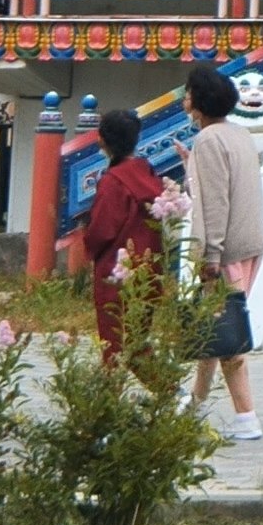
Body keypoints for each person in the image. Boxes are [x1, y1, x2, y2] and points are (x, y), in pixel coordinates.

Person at [178, 62, 263, 440]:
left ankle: (246, 417)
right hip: (251, 243)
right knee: (212, 329)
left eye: (188, 94)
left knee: (227, 332)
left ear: (197, 105)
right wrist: (191, 168)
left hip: (226, 249)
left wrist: (210, 257)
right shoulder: (237, 135)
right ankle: (196, 403)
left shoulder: (209, 141)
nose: (184, 100)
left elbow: (214, 204)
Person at [72, 102, 168, 367]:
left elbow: (102, 230)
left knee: (115, 345)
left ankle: (114, 400)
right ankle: (169, 395)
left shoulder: (114, 182)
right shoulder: (146, 173)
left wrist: (86, 234)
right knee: (138, 340)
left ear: (101, 140)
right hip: (148, 269)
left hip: (117, 271)